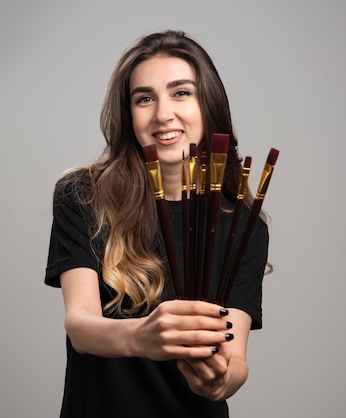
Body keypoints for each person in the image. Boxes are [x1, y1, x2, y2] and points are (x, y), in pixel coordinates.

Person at [44, 30, 269, 418]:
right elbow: (80, 326)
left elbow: (236, 359)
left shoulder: (243, 224)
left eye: (181, 93)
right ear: (129, 114)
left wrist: (219, 379)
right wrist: (143, 337)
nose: (163, 114)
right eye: (144, 98)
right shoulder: (82, 194)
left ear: (208, 105)